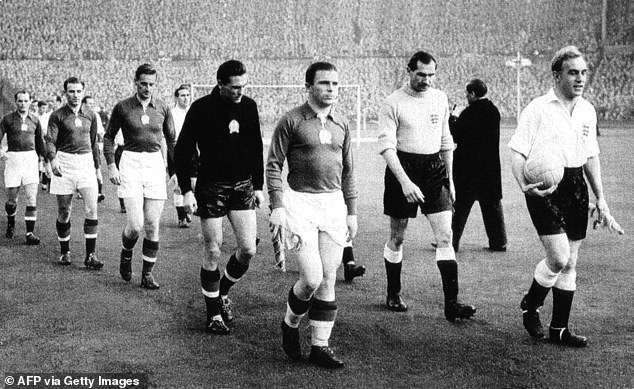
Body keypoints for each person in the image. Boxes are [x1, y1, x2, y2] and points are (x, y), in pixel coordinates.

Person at [509, 46, 623, 347]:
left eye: (584, 72)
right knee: (558, 258)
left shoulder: (587, 110)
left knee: (571, 262)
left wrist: (601, 199)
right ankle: (530, 304)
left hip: (575, 186)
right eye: (574, 72)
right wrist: (523, 184)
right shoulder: (537, 108)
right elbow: (517, 151)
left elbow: (590, 156)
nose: (580, 78)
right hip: (544, 189)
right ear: (557, 75)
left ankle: (560, 328)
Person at [267, 62, 357, 368]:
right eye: (324, 83)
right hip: (299, 205)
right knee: (311, 279)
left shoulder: (342, 123)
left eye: (335, 84)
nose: (331, 89)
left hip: (332, 205)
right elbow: (273, 165)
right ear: (309, 87)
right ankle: (290, 323)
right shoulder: (291, 120)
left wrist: (352, 212)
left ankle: (321, 346)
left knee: (329, 277)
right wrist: (277, 206)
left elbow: (348, 172)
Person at [378, 51, 476, 321]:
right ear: (408, 70)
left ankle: (452, 304)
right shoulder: (393, 102)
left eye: (431, 75)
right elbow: (386, 147)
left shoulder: (440, 98)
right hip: (402, 169)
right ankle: (393, 292)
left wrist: (451, 180)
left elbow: (446, 141)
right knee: (398, 237)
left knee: (445, 236)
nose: (427, 80)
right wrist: (405, 182)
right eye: (421, 74)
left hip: (434, 170)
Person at [175, 60, 263, 335]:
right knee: (213, 249)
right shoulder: (201, 108)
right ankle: (213, 314)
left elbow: (256, 146)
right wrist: (186, 191)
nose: (240, 92)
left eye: (244, 86)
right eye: (235, 87)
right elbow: (182, 150)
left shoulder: (248, 106)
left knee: (248, 248)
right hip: (211, 187)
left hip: (243, 186)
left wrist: (258, 186)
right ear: (221, 84)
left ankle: (222, 291)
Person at [104, 63, 176, 290]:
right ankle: (126, 254)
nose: (147, 88)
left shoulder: (162, 108)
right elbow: (108, 138)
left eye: (151, 84)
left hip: (154, 163)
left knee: (153, 224)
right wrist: (111, 166)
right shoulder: (123, 107)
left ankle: (147, 274)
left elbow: (171, 141)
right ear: (135, 82)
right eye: (143, 83)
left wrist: (174, 171)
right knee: (135, 225)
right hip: (131, 162)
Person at [45, 77, 103, 269]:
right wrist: (52, 159)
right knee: (64, 210)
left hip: (85, 162)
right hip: (65, 162)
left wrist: (97, 168)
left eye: (78, 91)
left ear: (83, 92)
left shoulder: (91, 115)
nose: (75, 95)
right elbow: (50, 140)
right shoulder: (57, 115)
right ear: (65, 93)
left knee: (91, 209)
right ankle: (65, 252)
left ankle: (91, 255)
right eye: (71, 91)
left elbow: (94, 142)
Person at [449, 78, 507, 252]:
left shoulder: (469, 113)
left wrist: (453, 117)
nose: (467, 97)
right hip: (489, 168)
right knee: (493, 206)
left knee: (460, 207)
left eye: (468, 94)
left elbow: (456, 135)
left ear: (473, 94)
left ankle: (450, 241)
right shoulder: (493, 111)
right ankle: (499, 242)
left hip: (468, 169)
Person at [0, 90, 45, 244]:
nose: (23, 104)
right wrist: (1, 153)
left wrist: (45, 160)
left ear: (30, 102)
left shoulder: (35, 120)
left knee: (32, 197)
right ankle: (11, 223)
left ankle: (29, 233)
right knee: (12, 200)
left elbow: (40, 142)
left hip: (30, 159)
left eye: (26, 101)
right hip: (13, 159)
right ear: (16, 102)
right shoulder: (7, 119)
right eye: (20, 101)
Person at [169, 83, 193, 228]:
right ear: (177, 98)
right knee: (178, 182)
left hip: (193, 150)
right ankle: (181, 217)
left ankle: (188, 206)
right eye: (182, 95)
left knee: (193, 181)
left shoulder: (194, 111)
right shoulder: (172, 114)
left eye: (187, 95)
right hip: (176, 149)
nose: (185, 98)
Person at [82, 96, 106, 203]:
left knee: (97, 167)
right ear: (84, 104)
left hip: (94, 145)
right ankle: (82, 191)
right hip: (81, 147)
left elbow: (100, 132)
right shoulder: (79, 115)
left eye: (93, 103)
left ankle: (99, 192)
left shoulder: (95, 115)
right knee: (84, 169)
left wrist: (99, 144)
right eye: (89, 103)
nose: (91, 105)